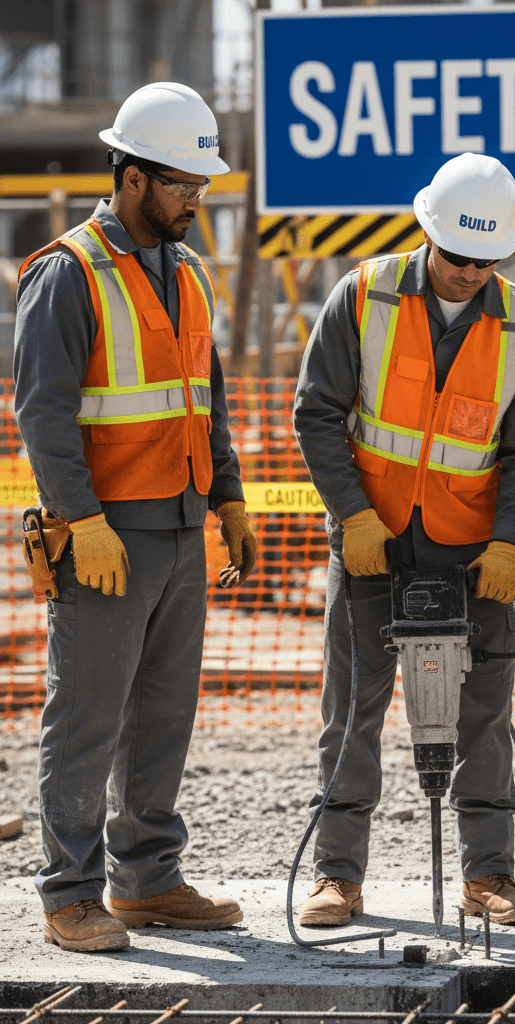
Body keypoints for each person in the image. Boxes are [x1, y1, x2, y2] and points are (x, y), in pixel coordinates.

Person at [14, 82, 258, 953]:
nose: (198, 196)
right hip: (106, 538)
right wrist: (82, 521)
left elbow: (206, 396)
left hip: (182, 524)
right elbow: (41, 413)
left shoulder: (187, 270)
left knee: (162, 714)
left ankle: (147, 881)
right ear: (130, 178)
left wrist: (228, 496)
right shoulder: (68, 271)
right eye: (183, 182)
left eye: (201, 182)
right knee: (86, 716)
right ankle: (71, 893)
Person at [292, 153, 515, 928]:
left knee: (481, 715)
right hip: (372, 543)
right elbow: (316, 414)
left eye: (487, 259)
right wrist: (353, 517)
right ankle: (337, 875)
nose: (471, 272)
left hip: (471, 554)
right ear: (427, 235)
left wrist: (508, 543)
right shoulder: (364, 294)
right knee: (353, 716)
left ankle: (490, 876)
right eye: (457, 256)